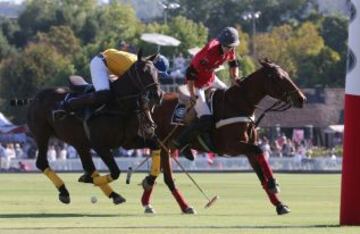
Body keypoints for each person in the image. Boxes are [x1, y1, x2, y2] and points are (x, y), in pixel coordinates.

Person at [173, 26, 240, 160]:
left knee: (229, 96)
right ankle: (181, 143)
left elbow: (233, 65)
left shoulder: (230, 48)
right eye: (228, 46)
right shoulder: (207, 54)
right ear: (222, 43)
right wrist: (192, 95)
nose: (230, 49)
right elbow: (190, 75)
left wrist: (235, 78)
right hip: (196, 84)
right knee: (206, 119)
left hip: (211, 78)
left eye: (232, 46)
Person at [54, 49, 169, 117]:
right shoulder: (135, 67)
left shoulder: (142, 67)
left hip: (114, 67)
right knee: (104, 94)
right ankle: (68, 105)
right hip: (101, 63)